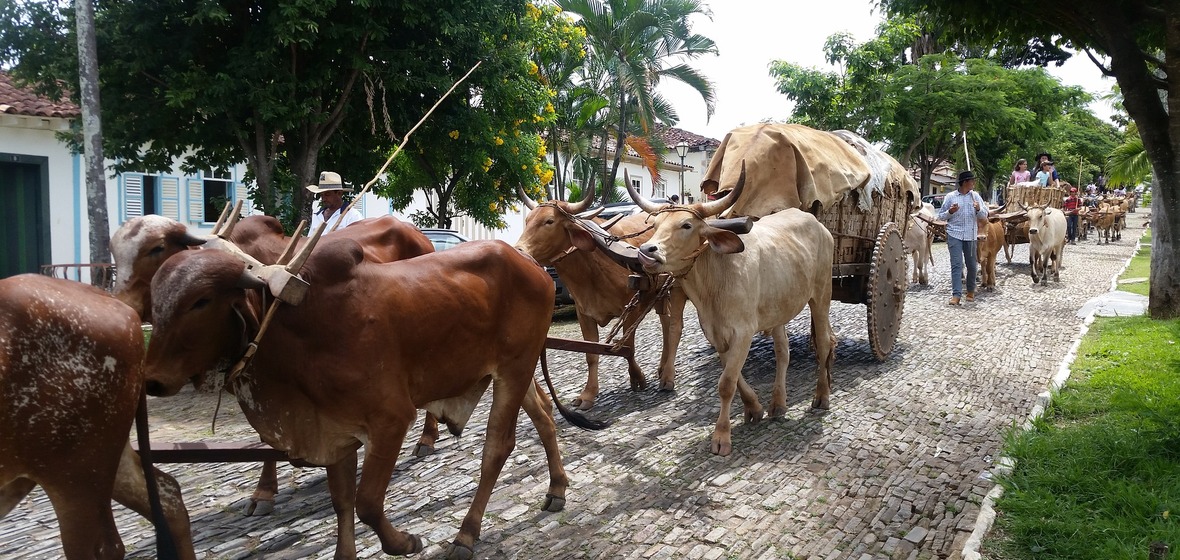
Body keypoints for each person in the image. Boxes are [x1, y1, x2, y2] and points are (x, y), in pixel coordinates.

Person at [936, 170, 989, 305]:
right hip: (954, 234)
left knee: (972, 265)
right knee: (957, 265)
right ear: (965, 183)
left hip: (970, 235)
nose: (974, 183)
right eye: (972, 181)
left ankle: (970, 291)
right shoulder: (950, 197)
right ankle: (956, 295)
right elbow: (941, 216)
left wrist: (978, 209)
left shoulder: (975, 196)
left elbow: (984, 216)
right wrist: (950, 211)